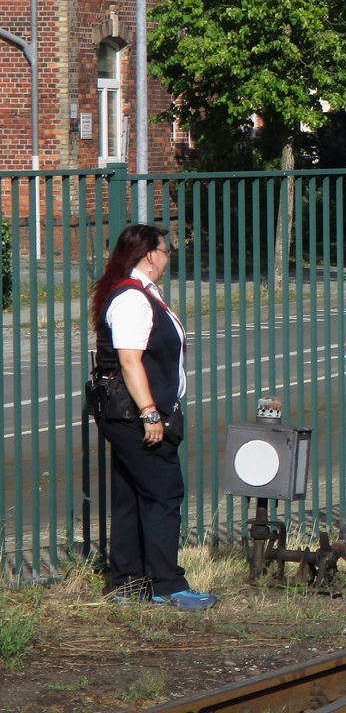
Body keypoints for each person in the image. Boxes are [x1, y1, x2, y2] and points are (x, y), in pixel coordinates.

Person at [90, 224, 217, 610]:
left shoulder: (142, 294)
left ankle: (127, 583)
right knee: (164, 492)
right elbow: (129, 362)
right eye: (165, 251)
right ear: (150, 255)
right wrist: (150, 414)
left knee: (131, 493)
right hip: (135, 414)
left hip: (128, 413)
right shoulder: (132, 299)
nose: (167, 258)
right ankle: (166, 584)